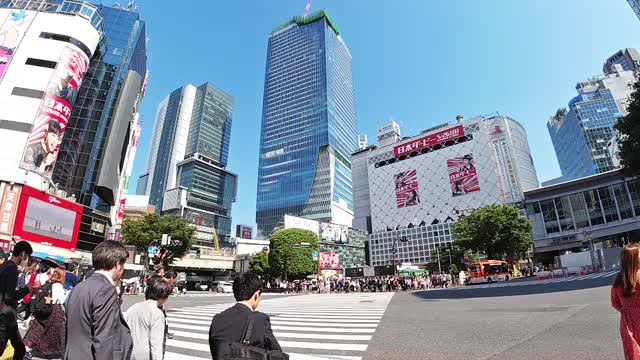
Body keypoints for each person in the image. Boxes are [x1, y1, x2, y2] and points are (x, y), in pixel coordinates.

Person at [64, 241, 132, 360]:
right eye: (123, 264)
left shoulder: (78, 287)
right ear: (117, 264)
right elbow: (104, 338)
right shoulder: (106, 290)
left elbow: (65, 329)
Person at [209, 272, 282, 359]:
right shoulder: (260, 319)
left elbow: (215, 350)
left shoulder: (217, 319)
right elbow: (277, 353)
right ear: (256, 295)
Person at [124, 277, 173, 360]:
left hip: (129, 351)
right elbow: (156, 344)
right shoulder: (157, 313)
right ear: (163, 297)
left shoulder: (134, 307)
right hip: (145, 355)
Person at [0, 241, 34, 359]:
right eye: (28, 257)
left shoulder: (4, 265)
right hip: (5, 316)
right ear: (23, 254)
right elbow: (9, 296)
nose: (27, 260)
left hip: (6, 316)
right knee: (18, 348)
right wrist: (26, 289)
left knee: (19, 348)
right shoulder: (12, 269)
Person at [24, 268, 67, 358]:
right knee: (50, 336)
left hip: (44, 311)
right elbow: (61, 300)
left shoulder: (48, 285)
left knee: (37, 333)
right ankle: (43, 352)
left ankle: (27, 351)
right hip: (54, 313)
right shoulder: (58, 286)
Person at [612, 243, 640, 359]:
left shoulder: (618, 280)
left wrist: (626, 310)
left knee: (632, 353)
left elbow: (614, 302)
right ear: (635, 258)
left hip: (627, 321)